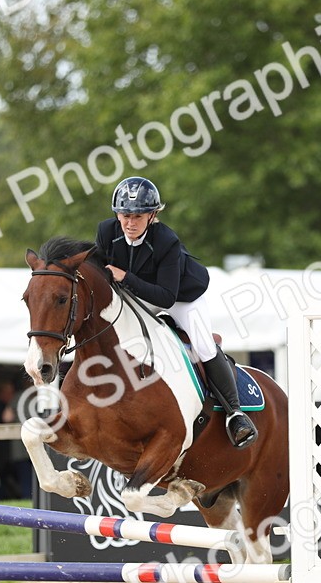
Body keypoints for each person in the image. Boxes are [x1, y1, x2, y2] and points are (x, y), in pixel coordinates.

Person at [95, 176, 256, 448]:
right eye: (125, 215)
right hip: (136, 293)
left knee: (203, 346)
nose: (130, 223)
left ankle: (235, 414)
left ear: (152, 215)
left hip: (181, 296)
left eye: (138, 216)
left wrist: (125, 277)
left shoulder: (166, 240)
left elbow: (166, 297)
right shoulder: (105, 231)